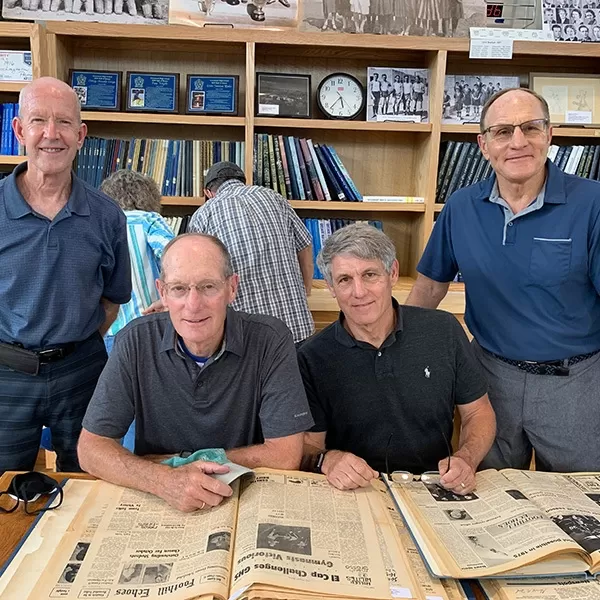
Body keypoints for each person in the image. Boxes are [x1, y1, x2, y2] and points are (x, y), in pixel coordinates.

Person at [407, 88, 600, 473]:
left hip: (576, 384)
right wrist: (397, 350)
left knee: (580, 508)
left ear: (549, 134)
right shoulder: (461, 206)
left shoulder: (593, 203)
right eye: (503, 131)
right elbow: (429, 287)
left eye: (531, 127)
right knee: (485, 492)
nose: (518, 142)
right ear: (483, 144)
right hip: (489, 381)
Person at [78, 233, 314, 512]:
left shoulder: (270, 340)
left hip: (246, 497)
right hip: (160, 495)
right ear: (162, 293)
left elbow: (285, 456)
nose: (193, 304)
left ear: (232, 288)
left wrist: (177, 462)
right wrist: (165, 480)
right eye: (179, 289)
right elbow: (91, 450)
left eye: (208, 287)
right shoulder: (134, 341)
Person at [299, 224, 495, 494]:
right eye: (344, 279)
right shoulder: (311, 357)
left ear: (392, 273)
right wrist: (328, 460)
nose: (359, 292)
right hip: (357, 490)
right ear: (331, 287)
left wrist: (467, 458)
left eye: (370, 275)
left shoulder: (444, 330)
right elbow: (310, 443)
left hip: (434, 484)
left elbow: (478, 412)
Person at [0, 77, 131, 473]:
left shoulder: (108, 216)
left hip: (83, 371)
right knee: (5, 493)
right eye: (38, 120)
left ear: (81, 134)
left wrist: (74, 343)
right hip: (6, 372)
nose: (51, 134)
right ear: (19, 130)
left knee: (88, 483)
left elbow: (113, 297)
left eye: (64, 122)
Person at [185, 162, 315, 345]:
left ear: (208, 192)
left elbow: (201, 277)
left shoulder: (203, 215)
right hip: (297, 329)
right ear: (242, 181)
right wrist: (306, 289)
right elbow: (305, 245)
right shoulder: (274, 197)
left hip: (250, 338)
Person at [99, 170, 174, 355]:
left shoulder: (100, 228)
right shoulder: (148, 221)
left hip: (110, 334)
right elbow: (177, 258)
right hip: (150, 328)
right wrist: (171, 299)